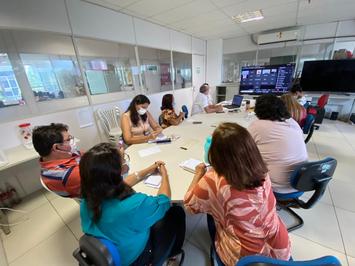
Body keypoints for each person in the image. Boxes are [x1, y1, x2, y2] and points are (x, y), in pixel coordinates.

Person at [184, 123, 291, 266]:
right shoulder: (262, 170)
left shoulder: (214, 179)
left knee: (211, 214)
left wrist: (198, 174)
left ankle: (217, 250)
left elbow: (189, 205)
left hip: (246, 260)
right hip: (280, 250)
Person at [80, 143, 186, 266]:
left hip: (113, 245)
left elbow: (122, 183)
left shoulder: (89, 195)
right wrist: (164, 175)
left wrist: (150, 169)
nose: (125, 162)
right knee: (176, 212)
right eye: (123, 159)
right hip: (135, 259)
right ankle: (171, 255)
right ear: (115, 173)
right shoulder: (134, 205)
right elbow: (164, 200)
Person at [32, 123, 164, 198]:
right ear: (56, 147)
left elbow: (91, 157)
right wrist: (121, 161)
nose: (72, 140)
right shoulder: (69, 175)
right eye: (68, 139)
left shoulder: (65, 155)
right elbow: (117, 182)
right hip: (105, 196)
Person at [248, 94, 308, 194]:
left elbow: (242, 147)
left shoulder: (257, 126)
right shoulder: (293, 122)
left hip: (276, 186)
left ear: (258, 111)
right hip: (301, 182)